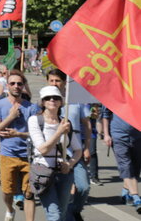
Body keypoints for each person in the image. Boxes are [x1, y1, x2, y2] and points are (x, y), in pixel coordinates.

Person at [29, 86, 82, 221]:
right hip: (43, 173)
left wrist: (69, 164)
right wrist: (59, 132)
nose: (52, 100)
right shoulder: (35, 120)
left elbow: (78, 150)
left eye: (56, 98)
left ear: (61, 102)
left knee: (62, 214)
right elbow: (43, 149)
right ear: (42, 102)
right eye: (48, 98)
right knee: (54, 215)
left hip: (63, 173)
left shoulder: (65, 122)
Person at [0, 70, 38, 221]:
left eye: (19, 83)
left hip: (28, 156)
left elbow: (37, 134)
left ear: (23, 86)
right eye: (12, 83)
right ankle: (10, 209)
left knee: (29, 193)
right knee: (7, 192)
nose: (16, 86)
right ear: (7, 86)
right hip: (8, 155)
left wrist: (19, 134)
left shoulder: (31, 107)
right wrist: (10, 117)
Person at [44, 69, 90, 221]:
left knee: (83, 187)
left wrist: (87, 147)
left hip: (75, 151)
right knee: (58, 196)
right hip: (54, 154)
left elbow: (86, 124)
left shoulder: (76, 98)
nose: (55, 83)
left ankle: (74, 209)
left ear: (64, 82)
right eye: (51, 80)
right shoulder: (46, 100)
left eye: (57, 80)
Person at [103, 106, 141, 208]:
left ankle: (125, 191)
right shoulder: (114, 95)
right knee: (125, 165)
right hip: (119, 136)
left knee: (136, 167)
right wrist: (106, 135)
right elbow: (105, 116)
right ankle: (136, 197)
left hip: (138, 135)